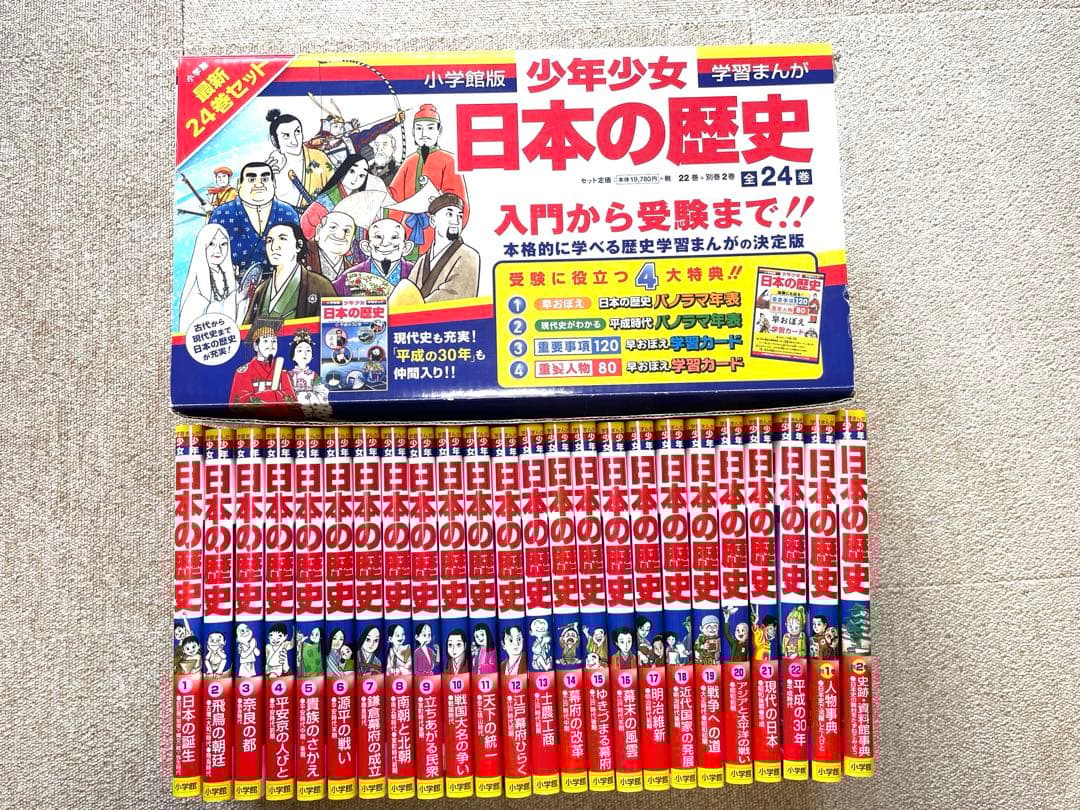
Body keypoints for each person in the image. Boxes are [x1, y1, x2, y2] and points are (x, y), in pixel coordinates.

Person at [388, 104, 469, 256]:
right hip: (408, 227)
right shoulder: (409, 161)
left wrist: (436, 196)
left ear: (439, 131)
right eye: (419, 128)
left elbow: (458, 200)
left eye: (430, 128)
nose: (424, 133)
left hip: (435, 228)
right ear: (413, 132)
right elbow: (394, 196)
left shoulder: (448, 160)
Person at [208, 162, 300, 278]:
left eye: (265, 179)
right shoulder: (220, 215)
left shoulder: (288, 213)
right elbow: (208, 258)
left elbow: (298, 255)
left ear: (274, 183)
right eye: (251, 180)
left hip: (281, 283)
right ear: (239, 184)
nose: (258, 184)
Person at [394, 193, 479, 304]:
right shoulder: (422, 260)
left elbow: (456, 297)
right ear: (433, 221)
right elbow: (408, 291)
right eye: (449, 214)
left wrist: (416, 306)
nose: (456, 221)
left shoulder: (469, 256)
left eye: (459, 216)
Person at [243, 223, 336, 324]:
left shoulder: (320, 285)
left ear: (299, 245)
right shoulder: (261, 290)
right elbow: (246, 329)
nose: (274, 247)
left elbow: (333, 327)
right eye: (269, 241)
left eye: (283, 239)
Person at [178, 222, 246, 332]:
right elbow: (192, 323)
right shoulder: (198, 282)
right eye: (211, 244)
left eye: (223, 244)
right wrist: (233, 301)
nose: (218, 250)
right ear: (203, 246)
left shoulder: (228, 277)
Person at [265, 109, 333, 209]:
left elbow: (335, 188)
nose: (294, 141)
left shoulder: (319, 157)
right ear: (274, 140)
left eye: (297, 132)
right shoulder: (270, 167)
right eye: (286, 136)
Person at [337, 217, 413, 295]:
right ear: (366, 247)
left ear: (406, 247)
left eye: (394, 237)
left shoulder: (414, 271)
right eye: (378, 237)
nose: (385, 243)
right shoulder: (350, 275)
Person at [229, 321, 297, 407]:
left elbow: (293, 402)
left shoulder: (282, 372)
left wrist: (263, 396)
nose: (271, 345)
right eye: (265, 341)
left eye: (274, 341)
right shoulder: (244, 372)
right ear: (255, 346)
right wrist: (274, 395)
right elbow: (238, 403)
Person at [307, 210, 358, 287]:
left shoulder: (353, 272)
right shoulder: (301, 258)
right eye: (333, 227)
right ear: (319, 231)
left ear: (352, 239)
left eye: (346, 231)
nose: (340, 235)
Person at [286, 330, 328, 405]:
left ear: (312, 356)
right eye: (300, 350)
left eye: (308, 350)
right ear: (293, 356)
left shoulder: (314, 375)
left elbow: (322, 391)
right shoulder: (288, 375)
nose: (304, 353)